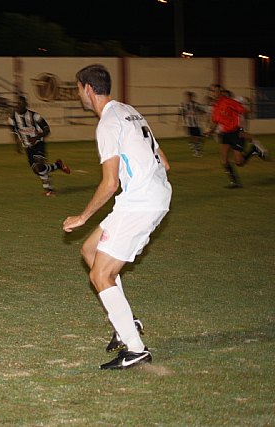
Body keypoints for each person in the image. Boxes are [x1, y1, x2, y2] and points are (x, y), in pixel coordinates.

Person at [63, 64, 172, 370]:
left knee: (100, 275)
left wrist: (83, 217)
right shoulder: (128, 110)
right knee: (89, 251)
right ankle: (127, 323)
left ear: (87, 89)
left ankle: (135, 350)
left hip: (140, 202)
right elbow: (164, 162)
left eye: (77, 88)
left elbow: (109, 183)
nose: (78, 94)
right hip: (144, 196)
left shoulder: (108, 123)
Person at [207, 85, 269, 188]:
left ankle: (254, 150)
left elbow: (244, 111)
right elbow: (216, 121)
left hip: (235, 133)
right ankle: (235, 182)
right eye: (211, 91)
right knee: (223, 160)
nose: (212, 93)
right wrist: (211, 131)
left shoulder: (228, 101)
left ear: (219, 92)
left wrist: (243, 128)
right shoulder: (215, 106)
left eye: (214, 91)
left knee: (239, 163)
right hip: (225, 134)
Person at [9, 95, 71, 196]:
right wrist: (17, 145)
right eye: (17, 103)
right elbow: (14, 132)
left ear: (26, 105)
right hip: (27, 147)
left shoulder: (34, 116)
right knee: (37, 170)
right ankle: (57, 165)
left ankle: (49, 190)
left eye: (21, 103)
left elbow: (47, 130)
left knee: (39, 166)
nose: (19, 105)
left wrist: (36, 138)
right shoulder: (12, 118)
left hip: (39, 144)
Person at [178, 91, 205, 157]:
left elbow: (202, 111)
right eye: (188, 96)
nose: (189, 98)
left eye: (190, 96)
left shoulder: (196, 105)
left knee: (199, 138)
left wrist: (202, 113)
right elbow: (182, 114)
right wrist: (182, 123)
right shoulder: (184, 105)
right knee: (193, 137)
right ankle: (196, 151)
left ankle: (195, 147)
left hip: (196, 124)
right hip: (189, 124)